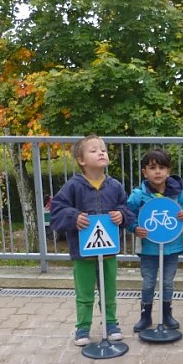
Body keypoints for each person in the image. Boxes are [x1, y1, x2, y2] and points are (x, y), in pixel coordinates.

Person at [49, 135, 135, 346]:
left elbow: (127, 209)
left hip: (109, 252)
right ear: (81, 160)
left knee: (109, 291)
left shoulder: (115, 186)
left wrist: (121, 215)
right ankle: (83, 327)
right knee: (84, 292)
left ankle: (111, 323)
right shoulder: (73, 186)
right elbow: (57, 211)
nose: (101, 153)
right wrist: (74, 217)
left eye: (103, 149)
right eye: (94, 150)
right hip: (82, 253)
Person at [127, 148, 183, 332]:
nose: (157, 172)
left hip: (172, 247)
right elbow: (128, 214)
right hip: (148, 249)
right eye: (152, 168)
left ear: (168, 171)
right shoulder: (138, 195)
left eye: (162, 168)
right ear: (145, 172)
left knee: (167, 282)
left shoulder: (179, 193)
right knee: (148, 282)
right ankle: (145, 316)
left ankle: (166, 314)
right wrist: (134, 228)